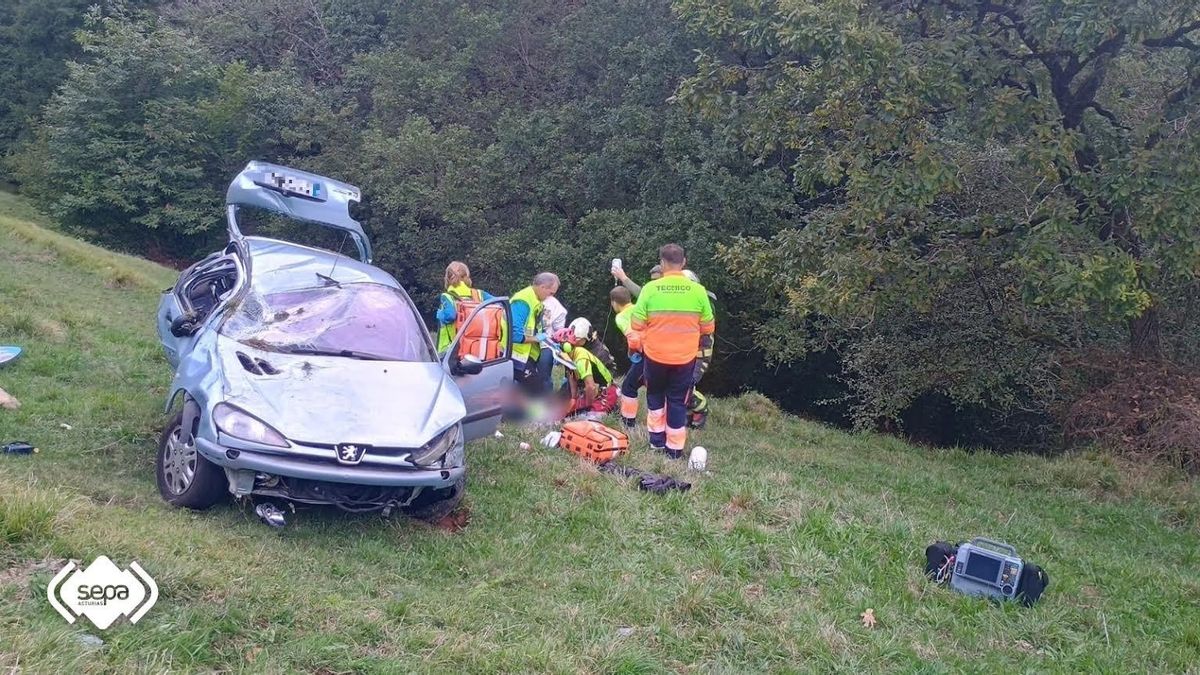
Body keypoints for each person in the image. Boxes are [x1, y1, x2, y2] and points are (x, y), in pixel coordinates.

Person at [630, 244, 714, 458]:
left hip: (655, 356)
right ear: (683, 262)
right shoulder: (698, 291)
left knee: (655, 396)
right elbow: (708, 328)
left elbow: (637, 323)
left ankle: (656, 442)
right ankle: (675, 450)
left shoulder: (650, 288)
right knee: (677, 401)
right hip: (685, 358)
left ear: (662, 263)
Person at [510, 272, 560, 394]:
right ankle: (537, 413)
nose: (551, 297)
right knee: (537, 389)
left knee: (529, 390)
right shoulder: (523, 301)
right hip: (515, 355)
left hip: (526, 355)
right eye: (551, 293)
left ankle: (524, 412)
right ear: (543, 287)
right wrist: (537, 339)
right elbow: (515, 335)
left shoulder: (535, 301)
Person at [560, 319, 619, 417]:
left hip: (598, 386)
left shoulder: (599, 352)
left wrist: (586, 404)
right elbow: (570, 373)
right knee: (562, 403)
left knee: (590, 415)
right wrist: (573, 398)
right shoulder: (573, 350)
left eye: (576, 340)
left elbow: (593, 384)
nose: (573, 342)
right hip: (580, 382)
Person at [435, 261, 494, 354]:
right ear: (467, 277)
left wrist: (440, 314)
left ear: (447, 278)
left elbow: (450, 316)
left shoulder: (447, 296)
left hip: (450, 350)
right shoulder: (479, 294)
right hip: (476, 348)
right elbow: (500, 304)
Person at [682, 270, 715, 429]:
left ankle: (700, 407)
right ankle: (688, 415)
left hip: (699, 353)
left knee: (687, 383)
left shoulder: (703, 302)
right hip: (685, 351)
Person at [610, 286, 646, 428]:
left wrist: (632, 352)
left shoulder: (620, 317)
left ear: (614, 302)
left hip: (645, 354)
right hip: (659, 350)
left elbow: (634, 338)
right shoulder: (638, 308)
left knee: (628, 386)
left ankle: (628, 422)